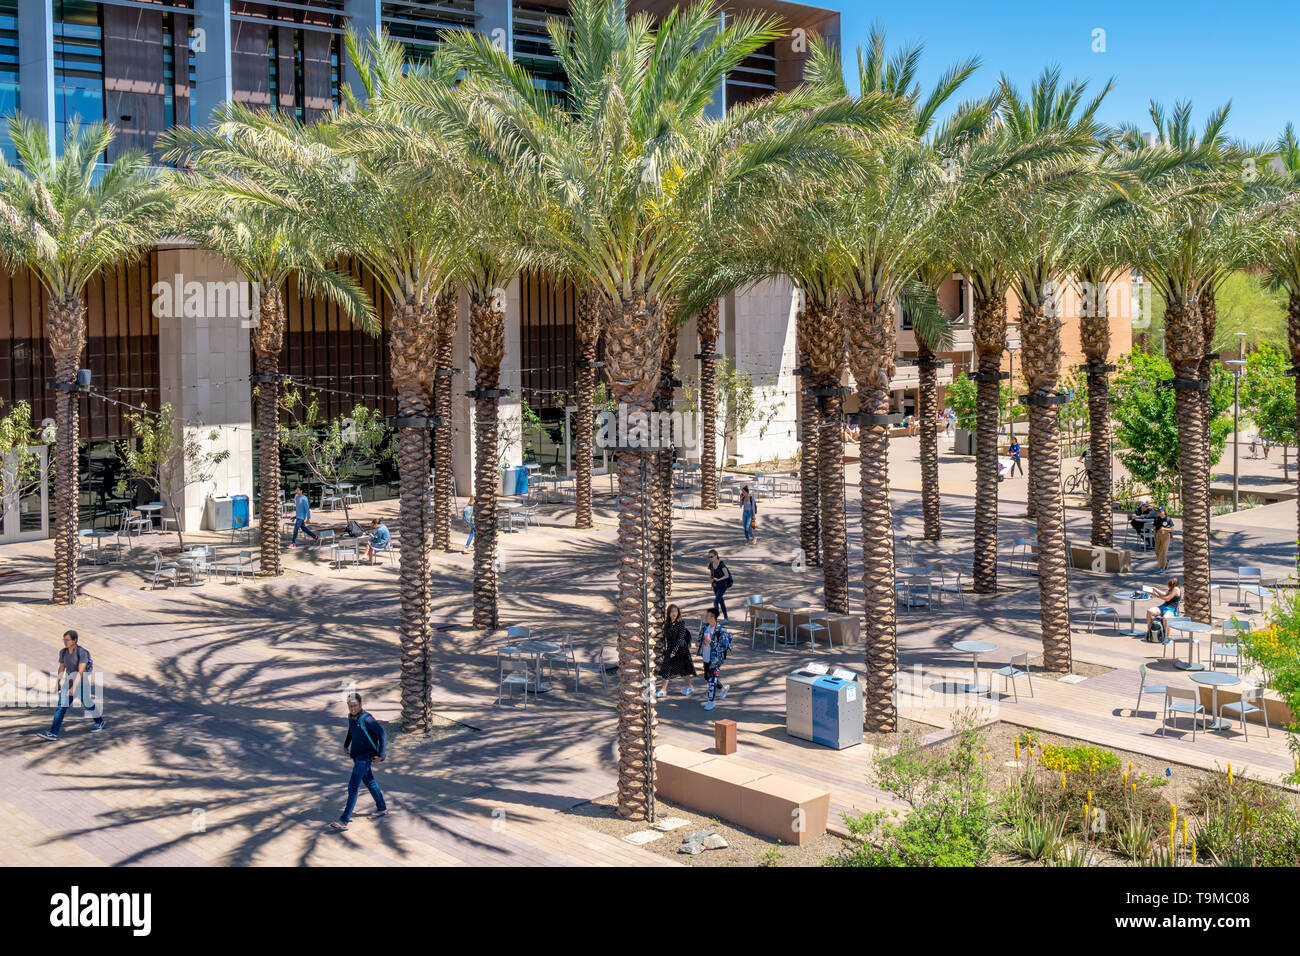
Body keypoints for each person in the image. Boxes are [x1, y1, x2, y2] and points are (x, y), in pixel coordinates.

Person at [329, 693, 388, 831]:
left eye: (355, 706)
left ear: (361, 704)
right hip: (357, 756)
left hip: (365, 757)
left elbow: (382, 734)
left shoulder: (367, 719)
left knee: (353, 786)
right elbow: (351, 731)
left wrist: (381, 754)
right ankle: (382, 808)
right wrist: (346, 745)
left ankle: (343, 821)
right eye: (350, 706)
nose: (352, 708)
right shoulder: (351, 717)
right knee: (370, 782)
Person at [36, 630, 105, 740]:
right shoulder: (63, 652)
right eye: (64, 640)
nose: (65, 642)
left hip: (82, 684)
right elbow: (62, 667)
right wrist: (58, 681)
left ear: (75, 640)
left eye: (67, 640)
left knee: (87, 704)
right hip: (68, 683)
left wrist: (74, 687)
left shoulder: (82, 653)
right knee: (61, 707)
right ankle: (53, 733)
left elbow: (81, 671)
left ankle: (100, 721)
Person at [656, 604, 697, 698]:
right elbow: (667, 638)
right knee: (666, 668)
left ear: (678, 612)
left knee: (684, 670)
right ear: (669, 613)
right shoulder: (667, 625)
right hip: (671, 649)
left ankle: (689, 686)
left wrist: (674, 651)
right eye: (672, 611)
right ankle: (663, 690)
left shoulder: (681, 623)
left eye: (676, 611)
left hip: (681, 649)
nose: (674, 613)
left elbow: (681, 638)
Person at [697, 608, 731, 712]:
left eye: (707, 615)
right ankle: (723, 688)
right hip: (706, 657)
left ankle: (710, 702)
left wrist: (711, 643)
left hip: (715, 660)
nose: (705, 617)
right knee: (707, 677)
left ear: (713, 617)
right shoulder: (705, 627)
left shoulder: (721, 630)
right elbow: (700, 637)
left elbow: (724, 646)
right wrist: (698, 643)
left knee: (712, 680)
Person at [707, 549, 732, 621]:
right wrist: (711, 579)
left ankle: (715, 620)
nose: (710, 558)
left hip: (722, 585)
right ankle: (726, 618)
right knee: (721, 601)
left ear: (716, 555)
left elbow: (726, 575)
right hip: (715, 586)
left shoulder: (721, 564)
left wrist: (719, 579)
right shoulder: (711, 564)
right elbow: (711, 574)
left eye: (711, 556)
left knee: (716, 601)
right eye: (709, 557)